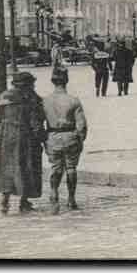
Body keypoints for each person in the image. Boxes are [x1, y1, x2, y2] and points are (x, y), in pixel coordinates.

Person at [0, 72, 45, 214]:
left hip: (6, 137)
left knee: (7, 168)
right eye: (32, 84)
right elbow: (35, 122)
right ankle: (24, 201)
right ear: (28, 85)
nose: (34, 86)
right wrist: (42, 137)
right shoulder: (31, 98)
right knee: (27, 166)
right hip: (25, 137)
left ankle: (5, 200)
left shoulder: (4, 97)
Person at [42, 66, 87, 214]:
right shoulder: (73, 101)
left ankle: (54, 193)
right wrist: (80, 139)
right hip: (70, 137)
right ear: (66, 80)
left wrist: (45, 140)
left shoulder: (45, 101)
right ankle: (71, 199)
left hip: (52, 137)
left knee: (56, 168)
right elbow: (81, 125)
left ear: (52, 81)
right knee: (71, 168)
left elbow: (39, 122)